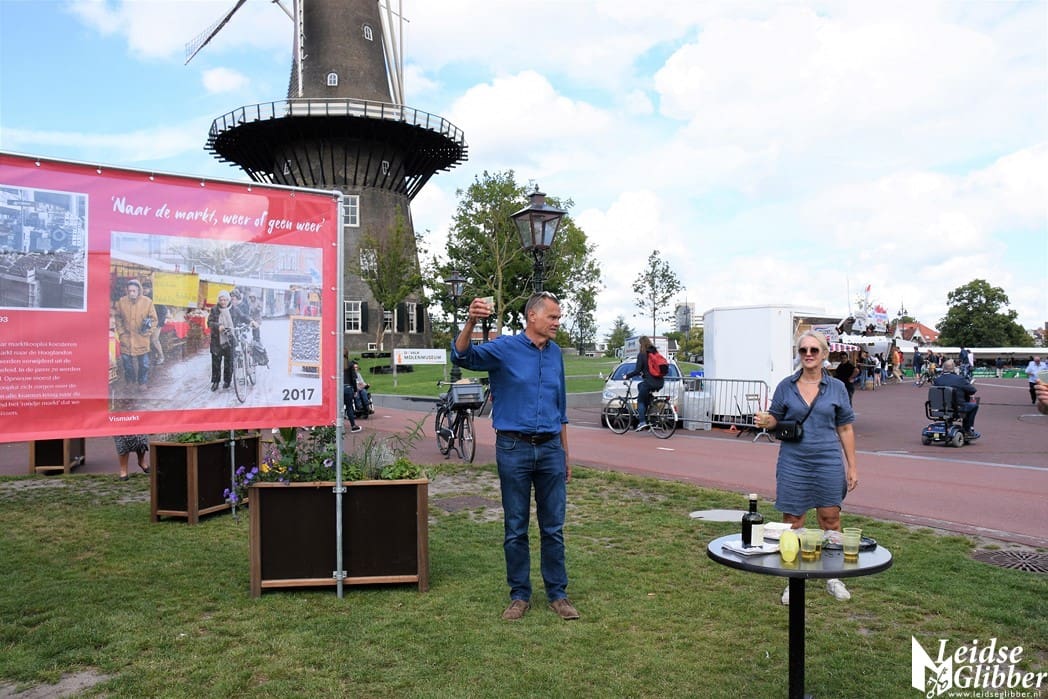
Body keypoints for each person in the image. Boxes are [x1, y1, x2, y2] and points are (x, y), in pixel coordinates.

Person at [450, 291, 578, 622]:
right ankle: (519, 595)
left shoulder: (555, 354)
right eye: (552, 317)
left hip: (550, 449)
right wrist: (471, 321)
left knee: (553, 527)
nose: (557, 322)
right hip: (513, 448)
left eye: (558, 317)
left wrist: (565, 453)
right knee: (516, 527)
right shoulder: (504, 349)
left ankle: (558, 594)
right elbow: (461, 356)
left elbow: (561, 407)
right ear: (532, 316)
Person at [754, 331, 858, 605]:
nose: (808, 354)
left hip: (827, 459)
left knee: (830, 519)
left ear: (824, 354)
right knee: (793, 522)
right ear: (798, 354)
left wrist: (852, 467)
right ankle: (793, 580)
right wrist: (766, 421)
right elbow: (775, 420)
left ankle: (833, 576)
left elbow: (845, 428)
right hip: (794, 460)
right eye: (803, 350)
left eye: (814, 350)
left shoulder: (836, 388)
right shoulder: (786, 386)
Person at [112, 279, 158, 386]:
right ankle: (130, 381)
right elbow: (118, 318)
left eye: (134, 291)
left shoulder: (147, 302)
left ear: (139, 290)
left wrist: (148, 331)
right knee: (127, 364)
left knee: (144, 364)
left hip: (141, 338)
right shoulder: (122, 302)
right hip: (126, 339)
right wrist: (121, 333)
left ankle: (142, 382)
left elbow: (154, 319)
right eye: (129, 291)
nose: (132, 293)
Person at [624, 336, 665, 431]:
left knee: (640, 401)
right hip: (660, 382)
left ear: (641, 344)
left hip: (650, 382)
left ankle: (642, 422)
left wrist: (627, 376)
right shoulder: (655, 353)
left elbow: (637, 370)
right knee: (640, 386)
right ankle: (650, 407)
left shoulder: (642, 354)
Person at [932, 359, 980, 439]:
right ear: (953, 368)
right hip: (957, 408)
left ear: (943, 368)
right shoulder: (959, 379)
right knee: (974, 406)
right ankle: (967, 429)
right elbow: (972, 391)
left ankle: (949, 423)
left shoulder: (937, 380)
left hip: (940, 409)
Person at [208, 290, 236, 391]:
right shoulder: (214, 310)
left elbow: (242, 316)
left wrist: (251, 321)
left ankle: (227, 381)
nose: (223, 302)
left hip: (229, 339)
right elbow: (209, 322)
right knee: (216, 362)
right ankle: (215, 382)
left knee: (229, 362)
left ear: (228, 300)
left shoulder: (233, 309)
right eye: (221, 300)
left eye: (225, 300)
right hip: (217, 340)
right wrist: (218, 326)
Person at [341, 351, 362, 433]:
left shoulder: (336, 364)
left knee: (336, 408)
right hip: (348, 388)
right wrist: (355, 390)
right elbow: (353, 379)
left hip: (338, 388)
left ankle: (336, 427)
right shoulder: (350, 364)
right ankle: (353, 426)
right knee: (349, 407)